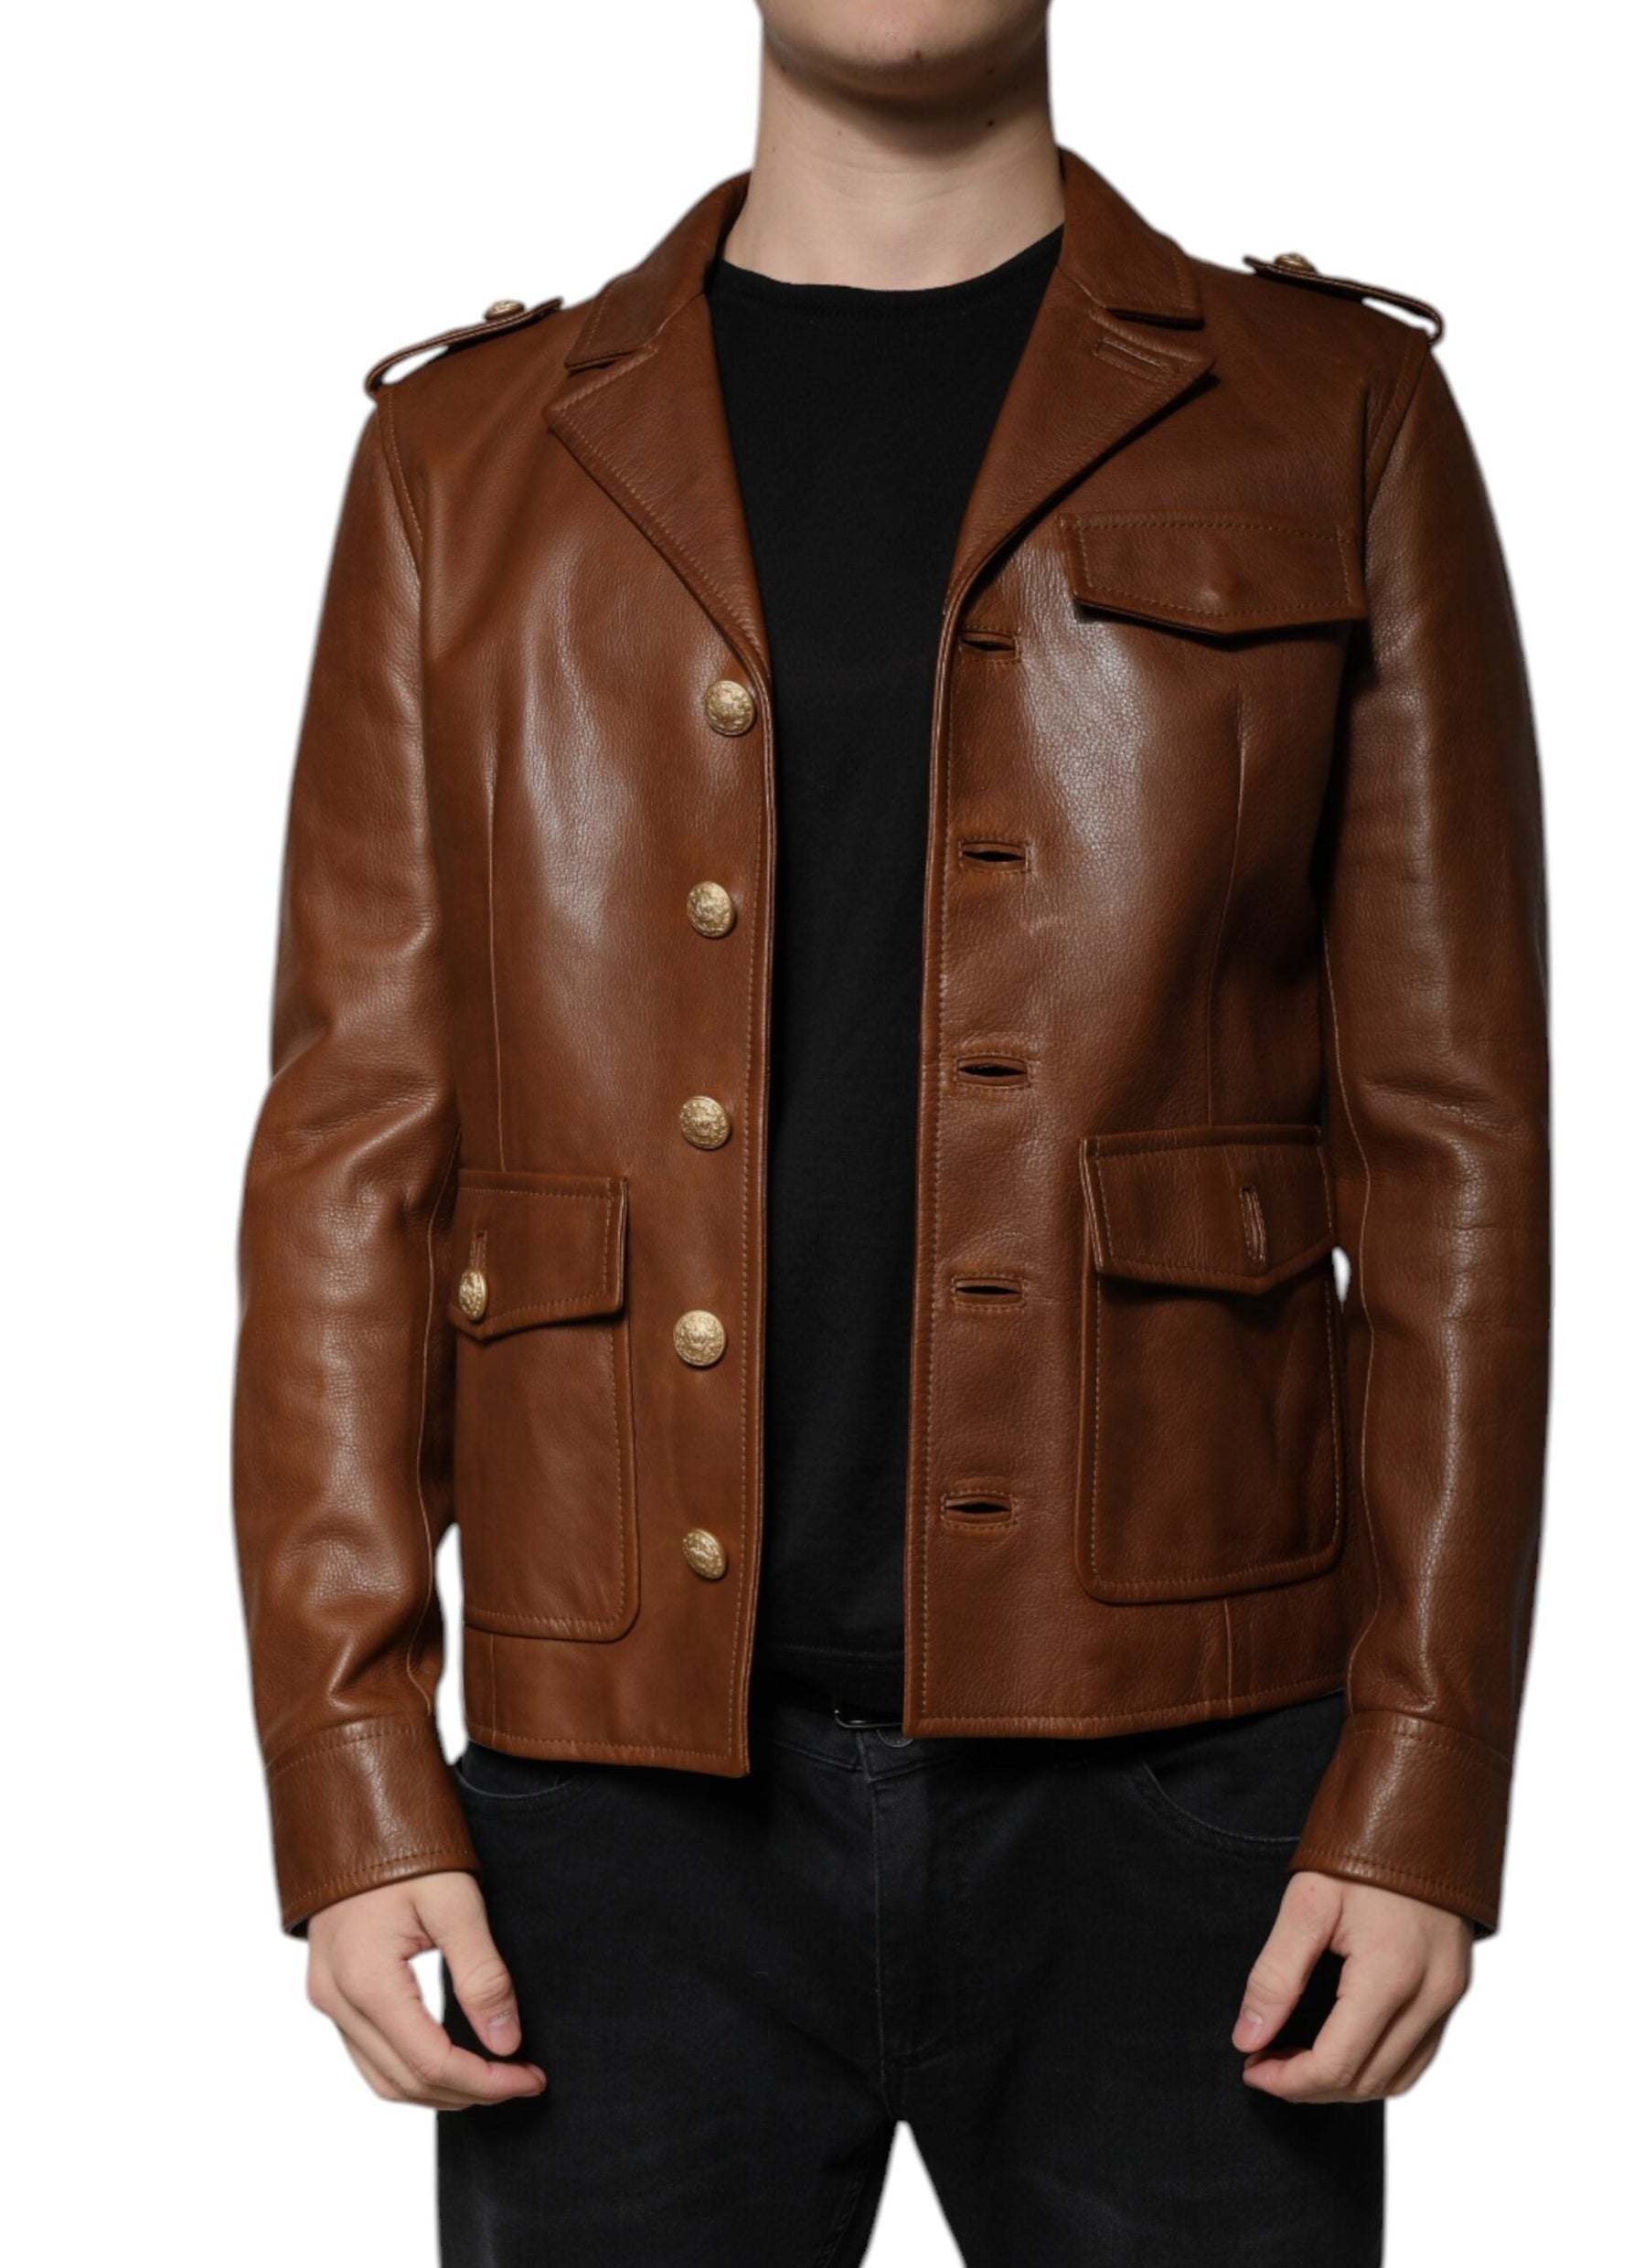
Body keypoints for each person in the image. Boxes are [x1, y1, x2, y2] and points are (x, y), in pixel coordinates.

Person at [232, 2, 1550, 2259]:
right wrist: (350, 1771)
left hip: (1196, 1782)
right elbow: (353, 1152)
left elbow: (1454, 1148)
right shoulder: (467, 452)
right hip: (614, 1808)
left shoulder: (1334, 413)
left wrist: (1422, 1781)